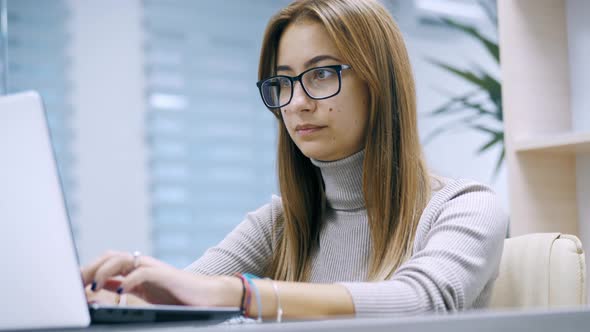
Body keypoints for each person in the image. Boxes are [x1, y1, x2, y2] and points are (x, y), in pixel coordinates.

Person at [82, 0, 508, 320]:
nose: (297, 103)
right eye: (283, 82)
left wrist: (243, 294)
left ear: (378, 83)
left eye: (321, 73)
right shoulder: (278, 223)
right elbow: (188, 294)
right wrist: (125, 295)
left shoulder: (465, 206)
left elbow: (423, 301)